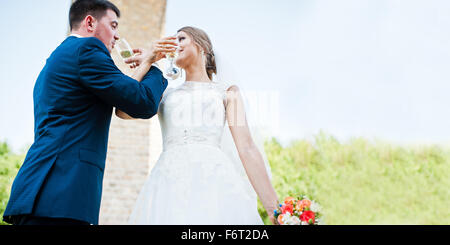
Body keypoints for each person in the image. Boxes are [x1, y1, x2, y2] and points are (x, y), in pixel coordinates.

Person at [2, 0, 177, 225]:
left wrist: (144, 66)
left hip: (45, 193)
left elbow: (125, 102)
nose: (116, 35)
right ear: (90, 22)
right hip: (61, 194)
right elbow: (142, 102)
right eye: (113, 25)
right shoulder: (87, 50)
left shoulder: (61, 56)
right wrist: (153, 66)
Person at [121, 26, 280, 225]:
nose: (174, 44)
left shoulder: (228, 93)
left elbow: (247, 147)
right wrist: (147, 62)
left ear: (202, 46)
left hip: (215, 185)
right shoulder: (165, 92)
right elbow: (123, 111)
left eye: (181, 39)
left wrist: (275, 209)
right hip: (169, 185)